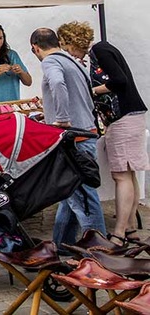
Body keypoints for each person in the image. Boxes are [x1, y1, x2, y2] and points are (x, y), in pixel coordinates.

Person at [58, 21, 150, 245]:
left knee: (121, 175)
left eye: (65, 45)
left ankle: (118, 234)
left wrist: (90, 91)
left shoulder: (100, 50)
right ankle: (129, 229)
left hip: (124, 118)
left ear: (72, 41)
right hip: (129, 118)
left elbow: (119, 81)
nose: (66, 51)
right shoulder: (99, 52)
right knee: (128, 174)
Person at [30, 27, 107, 246]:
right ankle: (62, 243)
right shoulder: (73, 61)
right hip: (86, 132)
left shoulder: (51, 61)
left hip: (74, 138)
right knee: (70, 192)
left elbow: (56, 83)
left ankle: (99, 250)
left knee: (83, 197)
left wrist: (62, 118)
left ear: (35, 47)